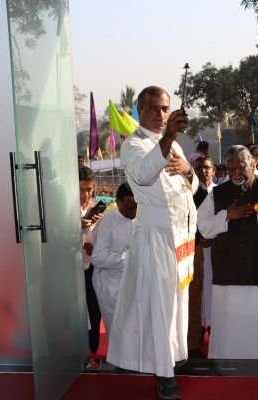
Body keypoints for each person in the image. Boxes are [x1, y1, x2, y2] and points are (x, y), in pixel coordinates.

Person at [106, 86, 198, 400]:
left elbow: (190, 186)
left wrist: (189, 170)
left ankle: (173, 355)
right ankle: (164, 374)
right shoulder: (133, 144)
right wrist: (168, 137)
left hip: (181, 237)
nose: (160, 114)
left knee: (177, 304)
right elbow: (144, 176)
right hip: (156, 236)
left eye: (165, 109)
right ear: (140, 110)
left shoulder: (176, 146)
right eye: (154, 108)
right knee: (160, 306)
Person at [197, 145, 258, 359]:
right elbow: (202, 226)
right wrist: (226, 215)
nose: (235, 173)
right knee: (230, 325)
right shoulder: (217, 194)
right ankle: (228, 366)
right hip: (228, 271)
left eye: (241, 168)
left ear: (252, 164)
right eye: (231, 169)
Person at [91, 183, 137, 342]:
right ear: (118, 202)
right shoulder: (106, 223)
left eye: (136, 207)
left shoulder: (142, 220)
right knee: (118, 332)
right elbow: (97, 258)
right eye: (129, 208)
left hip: (136, 282)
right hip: (111, 285)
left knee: (136, 330)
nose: (133, 211)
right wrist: (128, 257)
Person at [186, 156, 216, 358]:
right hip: (193, 249)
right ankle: (193, 338)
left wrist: (211, 236)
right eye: (198, 168)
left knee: (213, 296)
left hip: (213, 251)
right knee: (194, 297)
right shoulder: (189, 192)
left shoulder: (220, 192)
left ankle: (215, 331)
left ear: (213, 170)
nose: (203, 171)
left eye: (206, 167)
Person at [79, 166, 105, 369]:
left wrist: (94, 244)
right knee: (75, 312)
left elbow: (106, 238)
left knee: (94, 310)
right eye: (82, 189)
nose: (86, 195)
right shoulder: (64, 208)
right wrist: (77, 227)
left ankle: (92, 351)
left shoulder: (99, 207)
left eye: (90, 189)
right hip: (70, 267)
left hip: (93, 265)